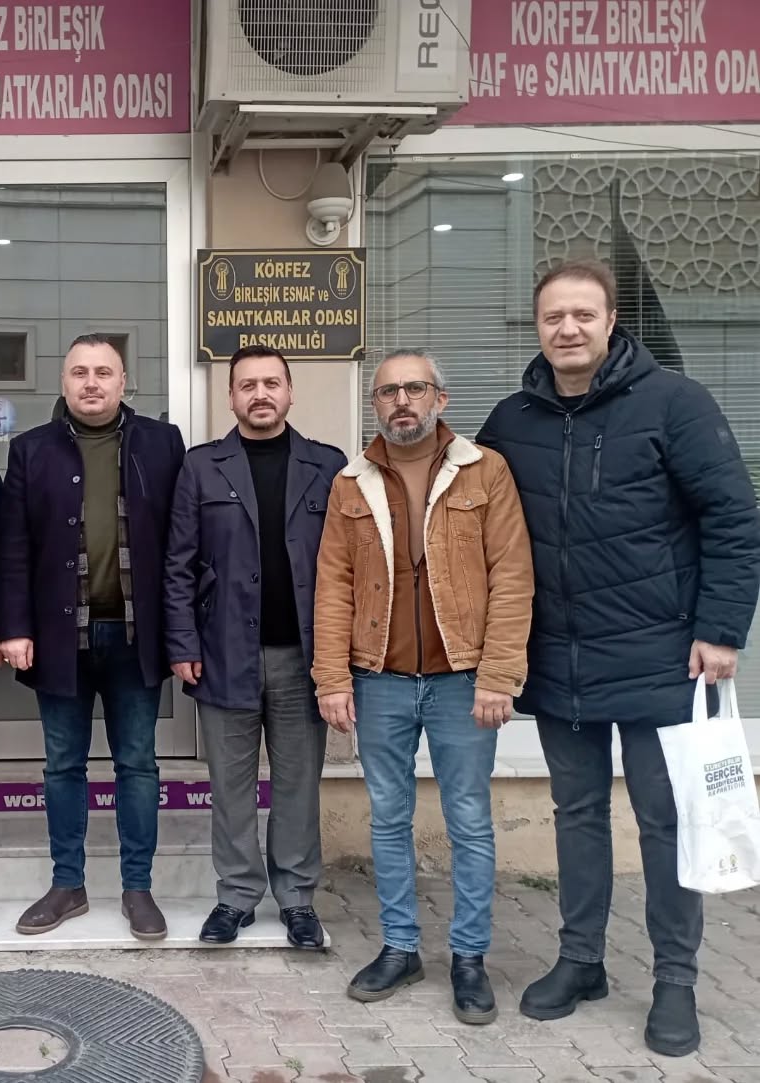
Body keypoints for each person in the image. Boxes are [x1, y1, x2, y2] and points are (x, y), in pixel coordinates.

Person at [477, 259, 760, 1056]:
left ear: (610, 321)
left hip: (659, 657)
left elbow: (734, 517)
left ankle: (676, 979)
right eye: (553, 316)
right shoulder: (511, 419)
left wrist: (721, 629)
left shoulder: (674, 402)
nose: (567, 328)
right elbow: (483, 530)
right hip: (558, 658)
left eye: (582, 315)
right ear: (538, 326)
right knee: (577, 814)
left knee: (665, 821)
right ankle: (581, 960)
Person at [312, 349, 533, 1025]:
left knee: (468, 819)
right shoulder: (351, 481)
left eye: (415, 388)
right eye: (388, 391)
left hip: (463, 680)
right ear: (374, 404)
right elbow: (333, 586)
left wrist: (499, 674)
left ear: (440, 398)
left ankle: (469, 957)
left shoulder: (484, 470)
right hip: (378, 680)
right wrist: (332, 676)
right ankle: (401, 947)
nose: (401, 400)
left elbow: (512, 577)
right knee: (388, 818)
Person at [0, 333, 186, 940]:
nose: (91, 383)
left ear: (123, 381)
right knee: (63, 766)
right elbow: (13, 545)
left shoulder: (162, 443)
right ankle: (67, 885)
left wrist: (183, 633)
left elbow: (182, 544)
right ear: (64, 381)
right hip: (60, 639)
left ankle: (138, 888)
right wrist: (14, 627)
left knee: (138, 764)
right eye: (79, 372)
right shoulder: (31, 449)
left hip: (136, 637)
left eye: (103, 372)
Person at [163, 346, 346, 947]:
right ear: (231, 396)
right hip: (222, 653)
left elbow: (347, 566)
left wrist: (338, 659)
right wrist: (182, 642)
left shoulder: (327, 465)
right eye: (248, 384)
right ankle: (237, 895)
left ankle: (296, 898)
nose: (260, 394)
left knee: (298, 782)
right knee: (231, 786)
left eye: (271, 383)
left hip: (303, 658)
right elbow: (178, 564)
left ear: (290, 392)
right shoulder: (201, 466)